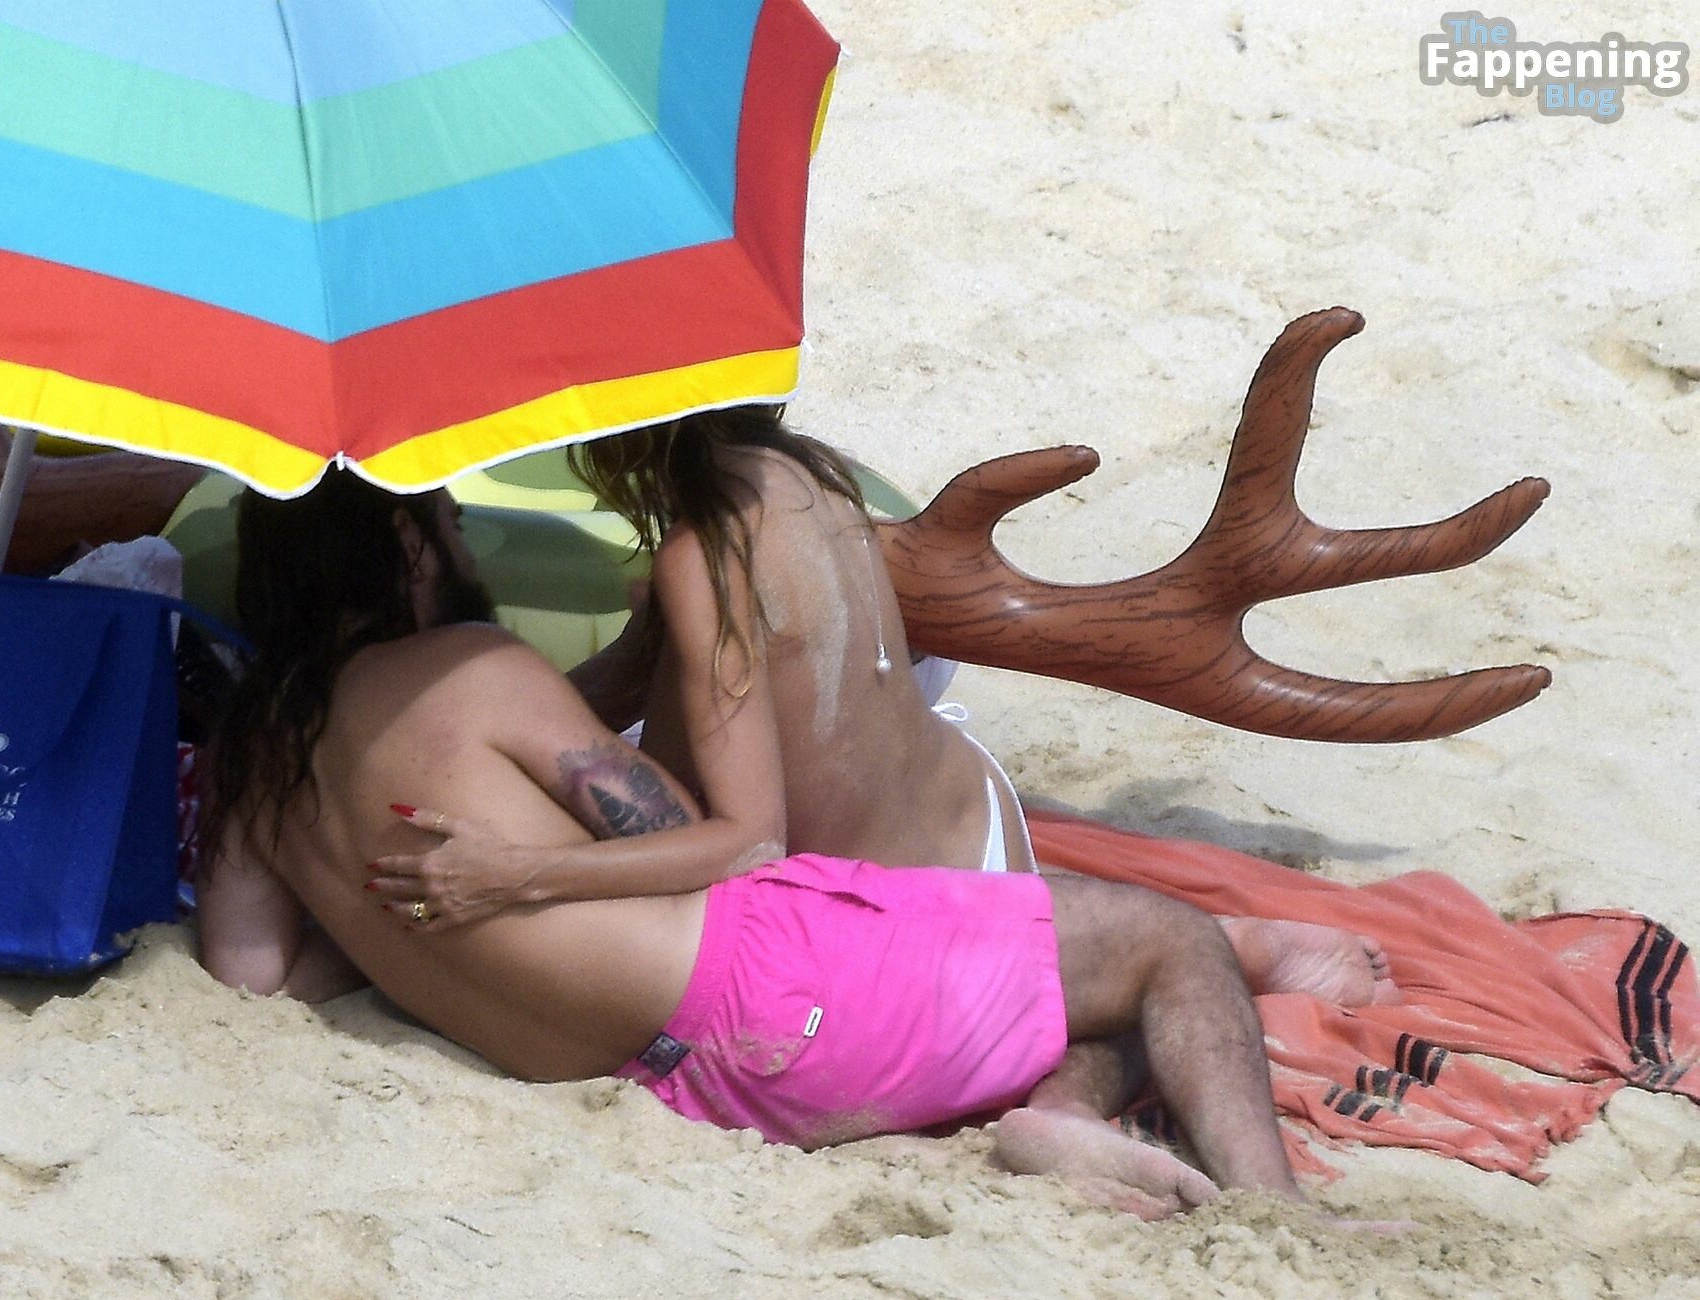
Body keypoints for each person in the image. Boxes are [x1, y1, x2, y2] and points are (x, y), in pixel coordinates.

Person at [198, 472, 1314, 1218]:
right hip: (772, 989)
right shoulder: (471, 665)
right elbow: (704, 844)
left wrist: (387, 913)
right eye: (449, 525)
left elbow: (252, 976)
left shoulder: (254, 757)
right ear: (405, 545)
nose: (461, 544)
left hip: (675, 1082)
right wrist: (536, 851)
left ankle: (1059, 1115)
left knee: (1082, 983)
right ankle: (1281, 1215)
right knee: (1170, 944)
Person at [369, 407, 1399, 1013]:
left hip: (917, 912)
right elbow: (637, 700)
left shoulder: (702, 559)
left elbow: (748, 844)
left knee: (1066, 1013)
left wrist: (518, 872)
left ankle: (1239, 948)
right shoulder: (808, 478)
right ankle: (1227, 944)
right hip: (971, 820)